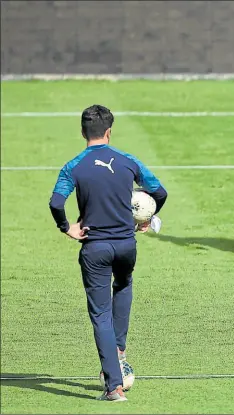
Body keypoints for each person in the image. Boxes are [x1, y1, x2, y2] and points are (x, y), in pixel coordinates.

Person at [49, 105, 168, 401]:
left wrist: (67, 227)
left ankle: (114, 386)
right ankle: (120, 349)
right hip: (126, 245)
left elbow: (55, 202)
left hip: (95, 248)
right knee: (124, 283)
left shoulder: (73, 166)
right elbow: (159, 192)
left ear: (82, 132)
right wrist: (143, 221)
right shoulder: (128, 161)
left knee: (101, 314)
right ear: (109, 132)